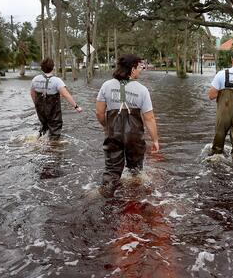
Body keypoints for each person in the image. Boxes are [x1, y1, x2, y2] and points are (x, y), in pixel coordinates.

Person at [96, 54, 159, 196]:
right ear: (132, 69)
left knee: (112, 171)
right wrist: (155, 140)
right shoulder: (142, 90)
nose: (140, 70)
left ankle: (104, 197)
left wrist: (107, 127)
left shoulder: (106, 86)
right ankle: (134, 199)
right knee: (135, 172)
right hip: (135, 137)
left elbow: (99, 113)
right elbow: (149, 118)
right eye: (139, 67)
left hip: (113, 134)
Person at [30, 58, 82, 140]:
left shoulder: (35, 79)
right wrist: (76, 107)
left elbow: (32, 94)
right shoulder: (57, 81)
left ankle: (39, 142)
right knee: (55, 128)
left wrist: (36, 105)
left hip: (39, 108)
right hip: (53, 110)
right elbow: (66, 95)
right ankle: (53, 148)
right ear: (53, 67)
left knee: (44, 125)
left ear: (41, 68)